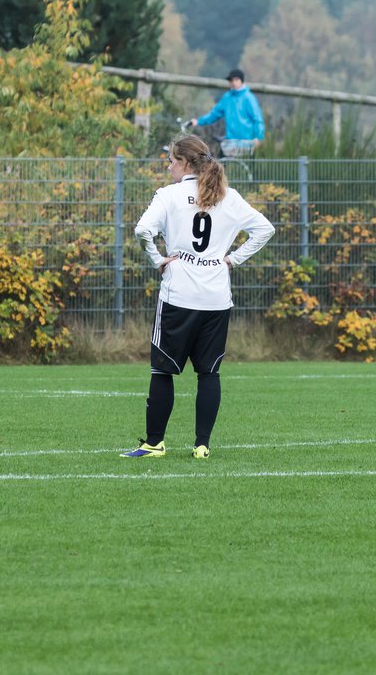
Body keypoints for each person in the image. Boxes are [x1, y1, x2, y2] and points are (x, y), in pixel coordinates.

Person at [122, 134, 275, 459]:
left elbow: (141, 230)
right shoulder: (229, 196)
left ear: (185, 163)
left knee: (163, 370)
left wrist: (157, 259)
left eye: (171, 161)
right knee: (209, 373)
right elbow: (265, 229)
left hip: (179, 296)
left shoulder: (169, 195)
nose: (168, 167)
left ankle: (154, 444)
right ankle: (202, 445)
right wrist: (232, 259)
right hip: (217, 299)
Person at [188, 68, 265, 157]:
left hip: (246, 141)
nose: (234, 83)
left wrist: (259, 137)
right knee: (220, 164)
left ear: (242, 81)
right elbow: (214, 114)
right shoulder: (227, 98)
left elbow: (257, 119)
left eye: (236, 80)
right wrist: (199, 121)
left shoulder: (249, 98)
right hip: (231, 141)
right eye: (231, 80)